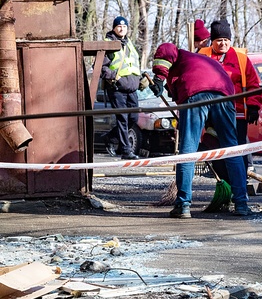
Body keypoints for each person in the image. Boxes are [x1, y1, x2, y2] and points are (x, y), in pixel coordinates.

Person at [150, 43, 251, 219]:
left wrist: (158, 78)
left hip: (196, 93)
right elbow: (213, 127)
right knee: (232, 149)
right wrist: (208, 141)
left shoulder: (181, 56)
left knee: (188, 151)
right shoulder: (200, 61)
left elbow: (167, 49)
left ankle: (183, 205)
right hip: (224, 93)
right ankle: (241, 203)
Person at [198, 20, 262, 170]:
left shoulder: (241, 58)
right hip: (212, 115)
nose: (223, 43)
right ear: (212, 41)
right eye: (219, 40)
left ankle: (241, 181)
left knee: (238, 149)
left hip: (237, 114)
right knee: (218, 150)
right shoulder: (203, 56)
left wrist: (253, 106)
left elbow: (253, 84)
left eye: (226, 40)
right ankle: (224, 180)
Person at [100, 16, 142, 160]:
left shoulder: (129, 43)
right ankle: (126, 151)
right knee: (122, 119)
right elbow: (101, 67)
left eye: (124, 26)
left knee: (133, 118)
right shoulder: (109, 43)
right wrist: (115, 78)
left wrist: (139, 79)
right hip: (117, 88)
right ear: (114, 28)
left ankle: (111, 137)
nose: (122, 28)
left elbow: (133, 65)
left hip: (132, 87)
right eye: (119, 26)